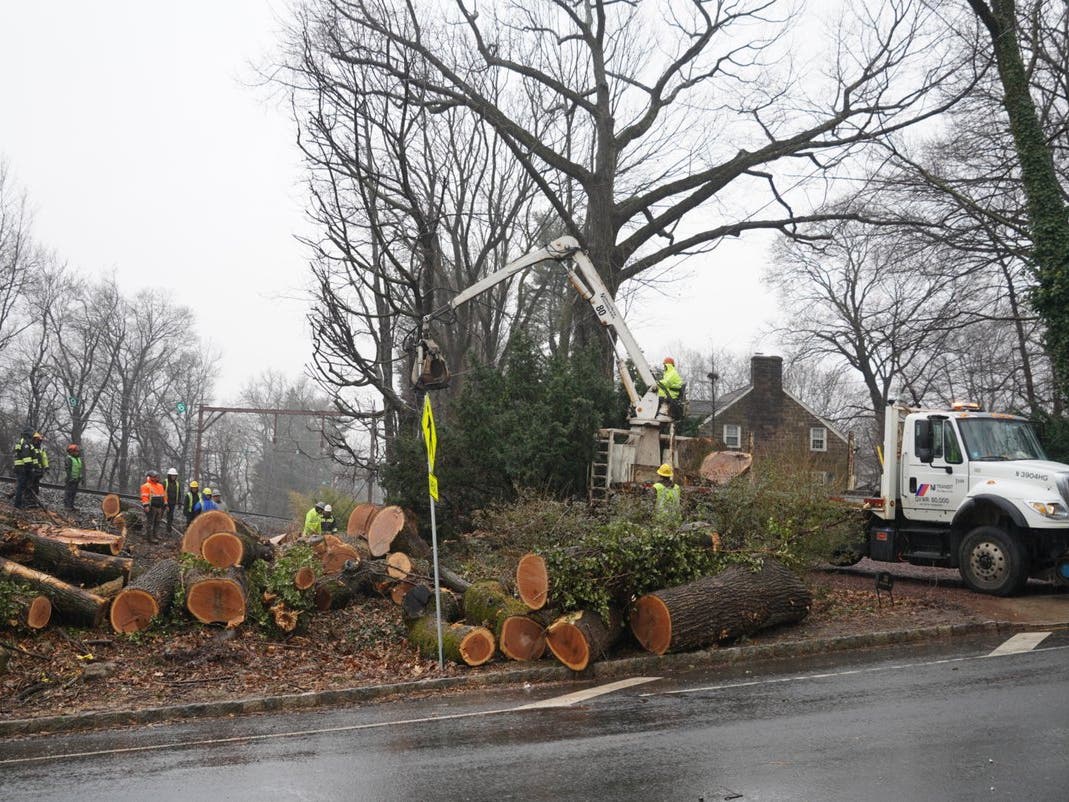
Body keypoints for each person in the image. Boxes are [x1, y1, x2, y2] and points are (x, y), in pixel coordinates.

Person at [140, 469, 167, 543]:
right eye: (154, 476)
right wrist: (146, 506)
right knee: (150, 522)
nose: (156, 478)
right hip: (151, 507)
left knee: (157, 521)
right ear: (150, 477)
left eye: (157, 476)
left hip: (159, 507)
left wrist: (165, 504)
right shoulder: (146, 486)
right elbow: (144, 497)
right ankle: (149, 537)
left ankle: (156, 534)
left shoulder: (160, 486)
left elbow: (164, 495)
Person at [12, 429, 36, 509]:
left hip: (20, 467)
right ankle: (18, 504)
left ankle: (19, 502)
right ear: (28, 435)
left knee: (22, 486)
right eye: (32, 435)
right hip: (22, 468)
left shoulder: (22, 442)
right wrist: (30, 468)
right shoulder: (26, 444)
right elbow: (26, 457)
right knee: (21, 486)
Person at [63, 443, 84, 511]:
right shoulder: (69, 458)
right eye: (76, 451)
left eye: (77, 451)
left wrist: (81, 477)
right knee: (69, 493)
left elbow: (79, 469)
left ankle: (71, 506)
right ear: (71, 451)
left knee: (73, 493)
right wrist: (70, 478)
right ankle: (67, 506)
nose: (77, 452)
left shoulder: (78, 459)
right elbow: (68, 469)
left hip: (76, 479)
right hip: (70, 479)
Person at [29, 432, 48, 506]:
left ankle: (34, 501)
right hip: (32, 469)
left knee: (36, 486)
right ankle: (28, 500)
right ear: (33, 439)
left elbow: (44, 458)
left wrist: (46, 466)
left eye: (39, 440)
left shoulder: (41, 449)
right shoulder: (30, 447)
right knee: (29, 485)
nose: (38, 441)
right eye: (37, 440)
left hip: (39, 470)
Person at [163, 468, 181, 535]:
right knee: (159, 516)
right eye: (172, 475)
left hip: (172, 503)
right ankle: (155, 530)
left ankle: (168, 530)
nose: (173, 477)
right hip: (164, 502)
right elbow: (162, 493)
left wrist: (179, 502)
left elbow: (179, 493)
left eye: (175, 475)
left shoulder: (177, 484)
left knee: (170, 517)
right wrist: (165, 504)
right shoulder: (165, 482)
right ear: (169, 475)